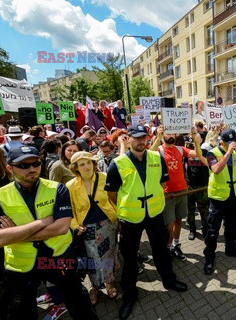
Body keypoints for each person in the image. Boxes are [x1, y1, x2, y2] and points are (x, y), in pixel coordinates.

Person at [0, 146, 98, 320]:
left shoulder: (57, 189)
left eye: (36, 163)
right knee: (22, 312)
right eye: (23, 165)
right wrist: (43, 222)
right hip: (22, 264)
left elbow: (61, 228)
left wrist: (14, 233)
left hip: (59, 257)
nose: (31, 169)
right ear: (10, 167)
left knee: (79, 304)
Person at [105, 124, 187, 320]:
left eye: (144, 138)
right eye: (137, 138)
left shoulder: (156, 158)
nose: (141, 141)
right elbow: (111, 194)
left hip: (155, 214)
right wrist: (130, 205)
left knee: (161, 250)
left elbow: (162, 183)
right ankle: (129, 295)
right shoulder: (118, 163)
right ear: (129, 139)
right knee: (130, 258)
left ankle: (169, 280)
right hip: (131, 218)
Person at [67, 152, 118, 305]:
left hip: (107, 224)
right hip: (86, 229)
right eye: (82, 164)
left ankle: (109, 283)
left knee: (108, 255)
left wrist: (118, 217)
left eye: (89, 162)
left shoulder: (104, 177)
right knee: (89, 259)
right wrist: (75, 226)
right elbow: (70, 210)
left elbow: (114, 198)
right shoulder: (70, 186)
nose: (87, 166)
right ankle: (94, 286)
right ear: (76, 168)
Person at [150, 126, 202, 260]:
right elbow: (148, 157)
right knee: (169, 223)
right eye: (167, 133)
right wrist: (158, 138)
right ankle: (168, 247)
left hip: (182, 190)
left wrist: (195, 137)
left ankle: (176, 245)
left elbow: (197, 154)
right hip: (167, 193)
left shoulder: (179, 149)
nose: (171, 135)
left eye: (173, 132)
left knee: (178, 220)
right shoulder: (159, 150)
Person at [203, 129, 236, 276]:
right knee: (213, 230)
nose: (232, 145)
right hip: (218, 197)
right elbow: (216, 169)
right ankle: (209, 257)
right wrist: (228, 153)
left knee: (232, 225)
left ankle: (231, 248)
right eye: (228, 143)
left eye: (233, 142)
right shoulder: (212, 153)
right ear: (221, 141)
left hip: (234, 195)